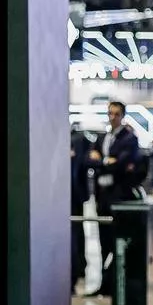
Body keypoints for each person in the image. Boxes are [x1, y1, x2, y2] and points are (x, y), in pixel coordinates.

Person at [86, 101, 141, 298]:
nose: (113, 117)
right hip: (102, 197)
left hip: (119, 196)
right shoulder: (102, 138)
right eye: (110, 113)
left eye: (116, 114)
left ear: (122, 115)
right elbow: (89, 160)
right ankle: (104, 282)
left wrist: (104, 162)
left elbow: (123, 163)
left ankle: (117, 283)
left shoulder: (129, 139)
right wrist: (105, 161)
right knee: (104, 242)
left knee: (119, 242)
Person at [70, 126, 92, 295]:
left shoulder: (79, 140)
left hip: (73, 196)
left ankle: (76, 271)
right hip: (64, 196)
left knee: (75, 235)